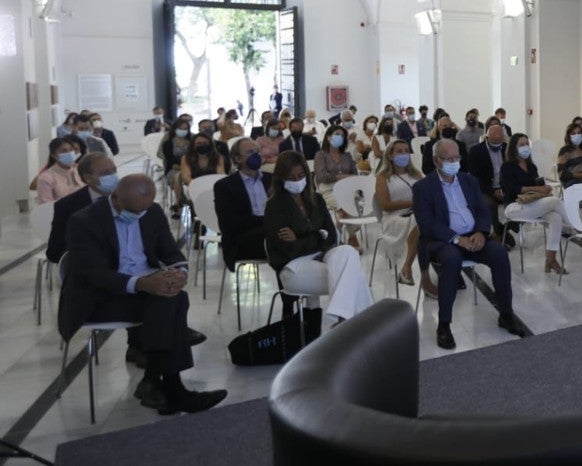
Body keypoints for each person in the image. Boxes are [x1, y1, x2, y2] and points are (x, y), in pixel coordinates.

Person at [60, 174, 227, 414]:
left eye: (144, 210)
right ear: (115, 198)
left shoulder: (152, 212)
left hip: (142, 290)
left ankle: (159, 383)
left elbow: (170, 252)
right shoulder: (85, 221)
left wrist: (178, 272)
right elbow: (93, 275)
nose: (139, 215)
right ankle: (164, 385)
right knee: (171, 302)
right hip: (100, 297)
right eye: (133, 211)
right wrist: (141, 284)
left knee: (173, 297)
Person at [412, 138, 524, 350]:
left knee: (499, 253)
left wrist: (482, 232)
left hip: (473, 237)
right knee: (452, 260)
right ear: (437, 161)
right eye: (449, 158)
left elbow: (483, 210)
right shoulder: (423, 187)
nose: (454, 162)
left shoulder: (468, 181)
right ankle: (444, 325)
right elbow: (427, 224)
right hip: (444, 242)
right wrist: (456, 238)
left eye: (457, 158)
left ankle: (506, 314)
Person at [263, 151, 373, 325]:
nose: (297, 180)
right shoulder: (274, 205)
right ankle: (355, 323)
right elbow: (288, 249)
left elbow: (331, 238)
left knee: (347, 251)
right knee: (352, 274)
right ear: (281, 178)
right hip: (293, 267)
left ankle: (344, 319)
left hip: (321, 256)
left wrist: (301, 238)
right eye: (291, 177)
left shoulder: (317, 200)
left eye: (300, 175)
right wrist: (318, 235)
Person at [500, 133, 566, 274]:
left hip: (532, 203)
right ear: (514, 148)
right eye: (521, 145)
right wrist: (536, 188)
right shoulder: (507, 167)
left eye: (527, 144)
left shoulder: (531, 166)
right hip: (514, 206)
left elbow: (537, 183)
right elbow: (511, 190)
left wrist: (545, 186)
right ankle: (580, 231)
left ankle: (551, 260)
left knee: (556, 217)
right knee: (555, 201)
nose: (525, 147)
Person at [373, 140, 427, 291]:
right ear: (390, 155)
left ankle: (427, 274)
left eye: (406, 151)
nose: (404, 154)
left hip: (416, 215)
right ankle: (408, 267)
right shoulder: (382, 177)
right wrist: (412, 203)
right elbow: (385, 205)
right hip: (394, 218)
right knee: (421, 221)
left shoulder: (416, 174)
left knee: (427, 221)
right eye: (399, 151)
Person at [213, 139, 271, 273]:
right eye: (250, 152)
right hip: (242, 241)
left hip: (272, 236)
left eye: (257, 152)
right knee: (286, 245)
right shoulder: (225, 186)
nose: (256, 156)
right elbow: (229, 222)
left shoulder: (271, 180)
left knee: (287, 241)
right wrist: (267, 221)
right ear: (237, 158)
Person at [48, 153, 117, 264]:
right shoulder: (67, 206)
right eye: (106, 173)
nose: (113, 176)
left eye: (114, 171)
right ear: (88, 178)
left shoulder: (130, 198)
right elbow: (54, 251)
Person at [312, 124, 362, 249]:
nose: (340, 137)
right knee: (345, 204)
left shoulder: (347, 156)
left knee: (347, 203)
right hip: (328, 189)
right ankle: (352, 237)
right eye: (337, 134)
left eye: (342, 135)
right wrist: (342, 176)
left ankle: (336, 235)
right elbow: (322, 176)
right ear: (328, 137)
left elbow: (355, 175)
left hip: (347, 188)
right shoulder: (320, 155)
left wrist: (341, 177)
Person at [467, 123, 511, 242]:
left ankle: (506, 230)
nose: (497, 146)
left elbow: (512, 172)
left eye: (499, 143)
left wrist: (504, 189)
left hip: (505, 187)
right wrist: (493, 191)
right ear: (487, 137)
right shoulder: (476, 151)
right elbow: (475, 177)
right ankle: (497, 232)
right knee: (489, 204)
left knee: (521, 202)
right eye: (494, 143)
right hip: (485, 189)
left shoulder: (507, 149)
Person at [36, 137, 85, 205]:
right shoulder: (46, 178)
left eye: (71, 150)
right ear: (53, 155)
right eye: (64, 151)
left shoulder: (79, 169)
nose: (69, 153)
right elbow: (46, 205)